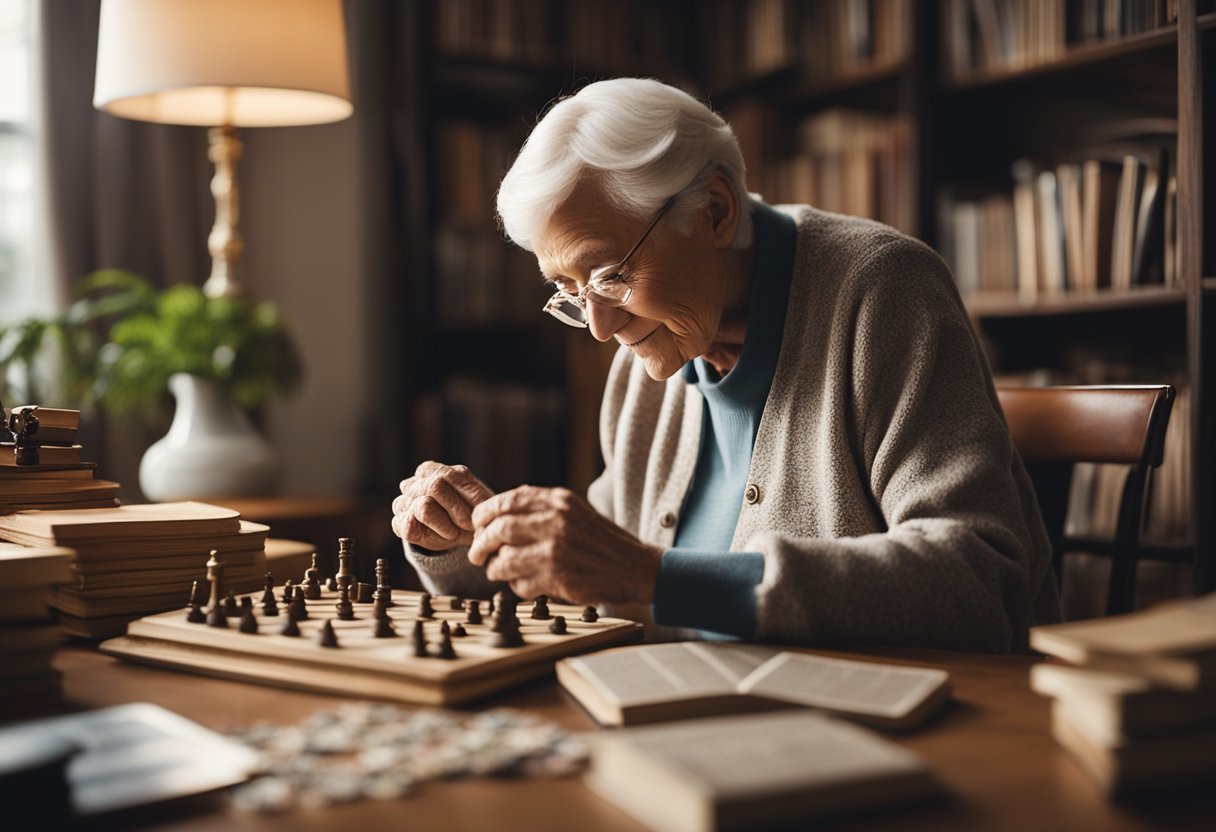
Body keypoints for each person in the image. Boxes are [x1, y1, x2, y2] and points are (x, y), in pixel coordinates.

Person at [392, 78, 1060, 652]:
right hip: (694, 720)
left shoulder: (882, 290)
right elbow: (602, 577)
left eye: (612, 275)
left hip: (891, 740)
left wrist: (657, 579)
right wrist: (463, 547)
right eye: (568, 291)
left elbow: (982, 581)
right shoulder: (648, 353)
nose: (599, 326)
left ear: (714, 211)